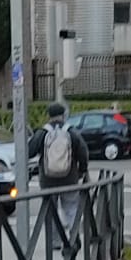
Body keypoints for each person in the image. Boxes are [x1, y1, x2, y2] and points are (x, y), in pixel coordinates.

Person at [28, 101, 90, 245]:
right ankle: (74, 238)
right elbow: (83, 152)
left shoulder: (42, 133)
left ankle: (55, 241)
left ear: (49, 115)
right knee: (71, 208)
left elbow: (29, 152)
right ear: (63, 115)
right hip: (70, 177)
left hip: (47, 179)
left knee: (50, 210)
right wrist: (82, 170)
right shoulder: (71, 132)